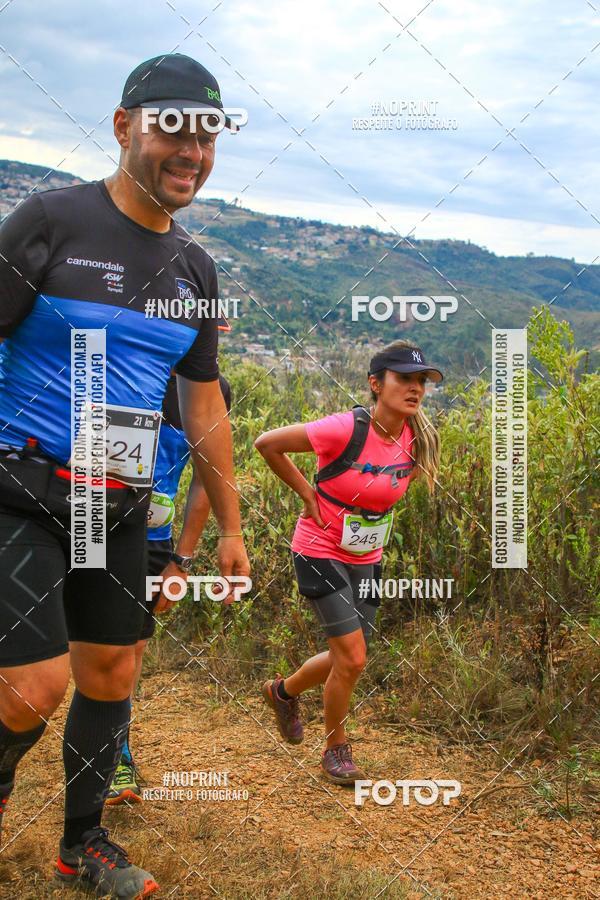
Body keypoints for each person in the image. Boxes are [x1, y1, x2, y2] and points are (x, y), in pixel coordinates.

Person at [0, 53, 249, 899]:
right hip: (19, 486)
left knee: (110, 674)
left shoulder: (196, 271)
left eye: (207, 135)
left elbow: (205, 404)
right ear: (123, 127)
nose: (192, 151)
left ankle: (82, 845)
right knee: (35, 688)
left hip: (117, 498)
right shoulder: (50, 221)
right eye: (174, 128)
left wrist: (231, 525)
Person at [256, 340, 442, 784]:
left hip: (367, 555)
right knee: (353, 658)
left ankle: (283, 692)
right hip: (318, 549)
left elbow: (387, 494)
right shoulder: (343, 428)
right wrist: (307, 494)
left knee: (350, 655)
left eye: (421, 381)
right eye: (404, 379)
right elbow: (267, 444)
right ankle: (335, 749)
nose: (415, 388)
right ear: (376, 384)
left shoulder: (420, 438)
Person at [107, 373, 232, 805]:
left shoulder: (213, 393)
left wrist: (182, 560)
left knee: (130, 650)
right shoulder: (127, 368)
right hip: (83, 525)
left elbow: (205, 476)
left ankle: (115, 755)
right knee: (61, 656)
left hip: (151, 542)